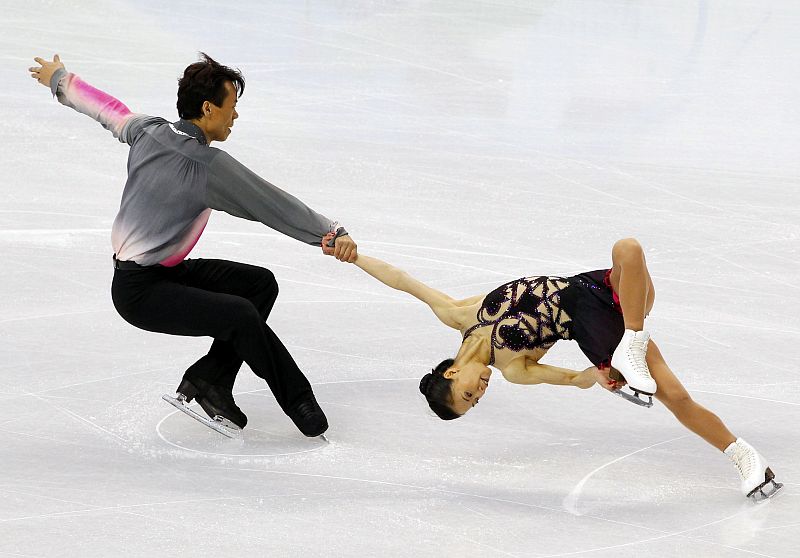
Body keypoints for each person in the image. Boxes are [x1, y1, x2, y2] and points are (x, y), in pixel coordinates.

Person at [29, 53, 358, 437]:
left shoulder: (148, 130)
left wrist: (61, 81)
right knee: (239, 315)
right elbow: (272, 203)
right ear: (208, 107)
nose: (234, 116)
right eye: (231, 106)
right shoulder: (207, 165)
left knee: (258, 285)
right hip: (141, 293)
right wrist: (329, 233)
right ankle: (299, 400)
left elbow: (107, 110)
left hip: (166, 275)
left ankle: (211, 381)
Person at [341, 238, 783, 501]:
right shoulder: (515, 368)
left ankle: (634, 339)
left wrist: (352, 257)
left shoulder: (458, 314)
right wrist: (600, 377)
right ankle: (746, 458)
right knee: (677, 397)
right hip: (592, 327)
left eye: (469, 394)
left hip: (590, 285)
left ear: (452, 375)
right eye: (476, 402)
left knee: (628, 248)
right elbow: (575, 378)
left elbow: (401, 280)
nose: (481, 393)